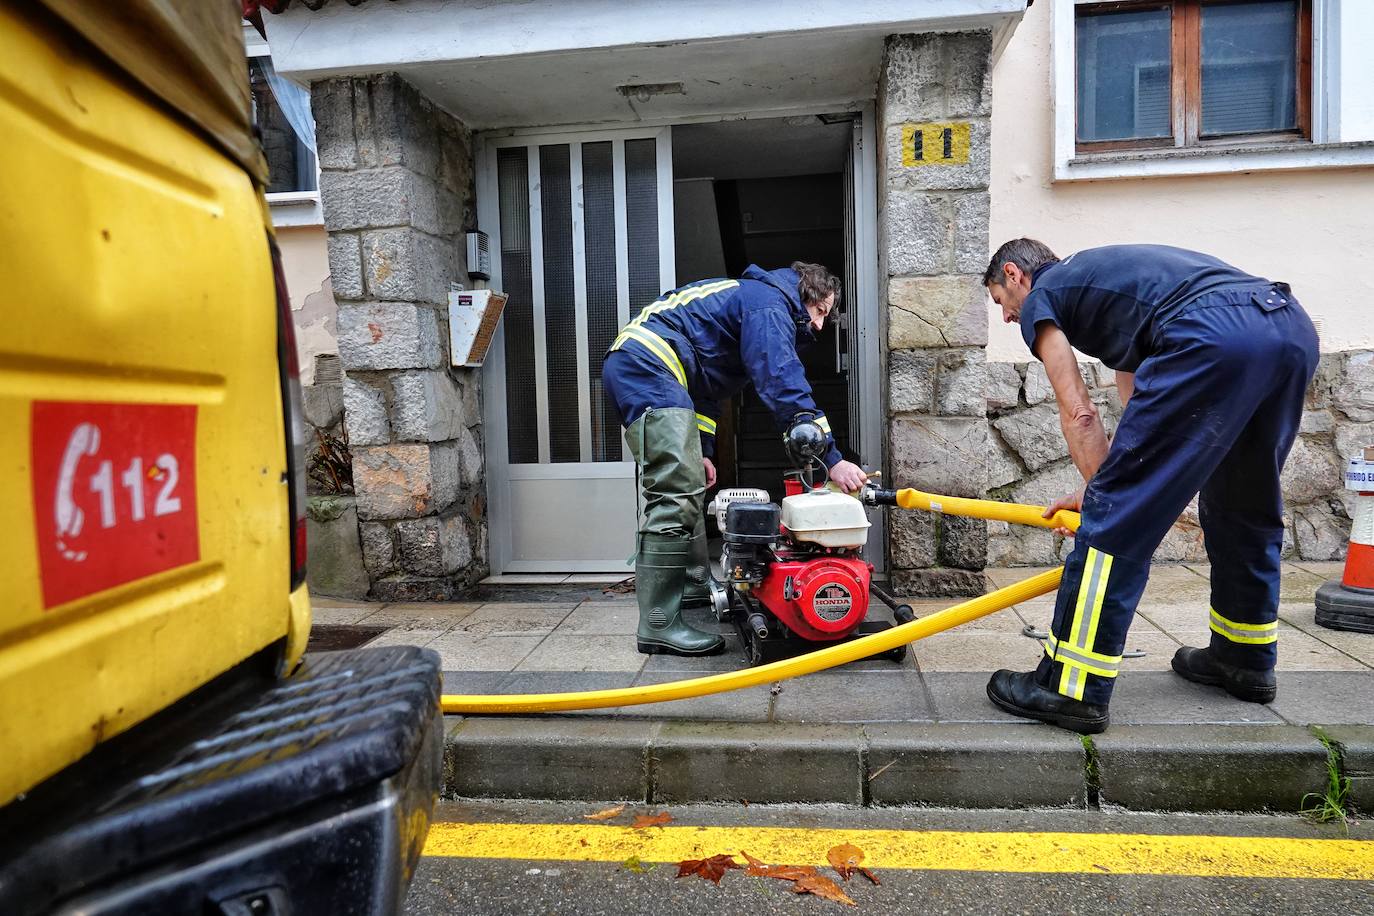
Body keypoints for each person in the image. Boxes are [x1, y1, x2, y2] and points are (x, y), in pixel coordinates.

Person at [983, 240, 1318, 734]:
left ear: (1014, 275)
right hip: (1287, 328)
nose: (1009, 317)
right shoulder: (1121, 289)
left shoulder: (1044, 295)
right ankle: (1243, 659)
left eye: (1001, 302)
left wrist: (1106, 505)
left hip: (1213, 336)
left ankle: (1069, 688)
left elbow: (1078, 410)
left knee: (1114, 525)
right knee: (1243, 502)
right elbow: (1141, 411)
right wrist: (1109, 487)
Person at [603, 262, 868, 657]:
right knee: (675, 493)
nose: (819, 326)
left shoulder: (752, 301)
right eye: (821, 312)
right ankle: (658, 624)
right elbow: (782, 380)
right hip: (648, 365)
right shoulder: (768, 304)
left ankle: (690, 588)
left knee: (690, 479)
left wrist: (704, 451)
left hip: (659, 369)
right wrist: (832, 459)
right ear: (807, 294)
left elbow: (706, 390)